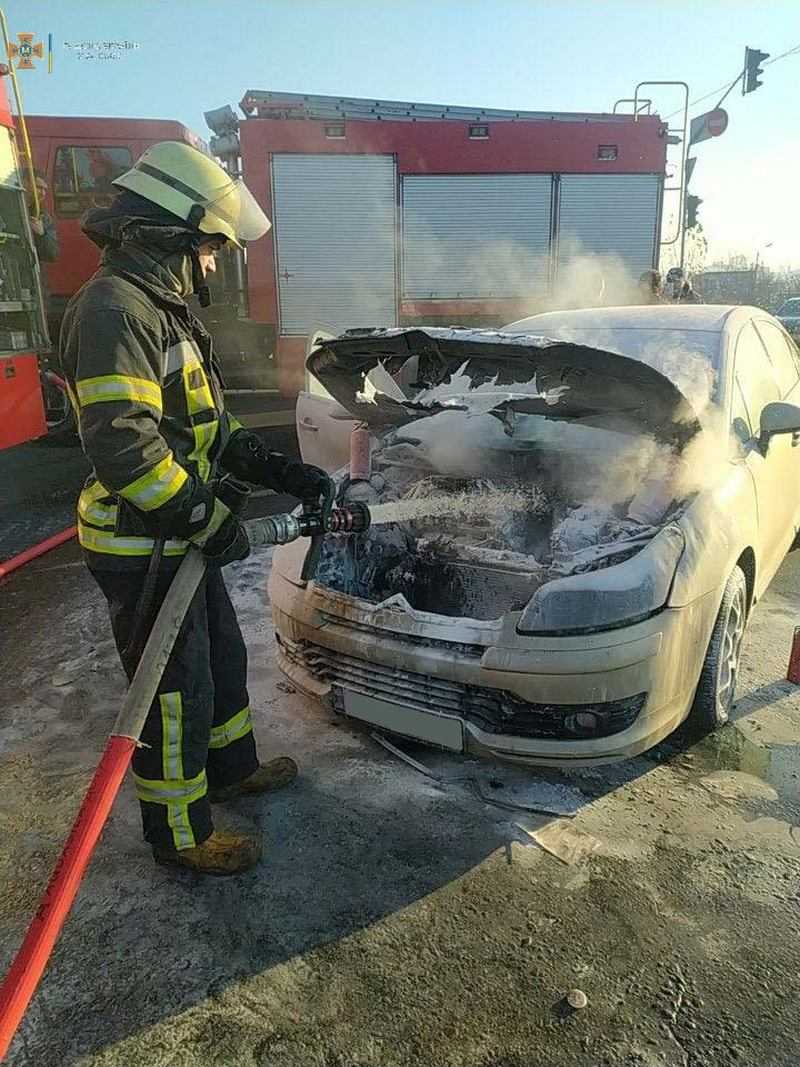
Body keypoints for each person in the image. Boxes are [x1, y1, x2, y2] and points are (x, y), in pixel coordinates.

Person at [59, 142, 329, 875]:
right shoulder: (115, 310)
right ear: (169, 235)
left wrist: (279, 468)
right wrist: (206, 520)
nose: (212, 266)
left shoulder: (160, 308)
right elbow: (125, 446)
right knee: (174, 693)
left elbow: (207, 427)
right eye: (209, 249)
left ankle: (231, 770)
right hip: (143, 542)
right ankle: (180, 833)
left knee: (221, 661)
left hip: (177, 536)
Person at [26, 169, 59, 263]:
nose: (43, 193)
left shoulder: (43, 217)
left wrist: (42, 234)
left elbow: (52, 255)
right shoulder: (8, 208)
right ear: (25, 184)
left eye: (45, 189)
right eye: (39, 187)